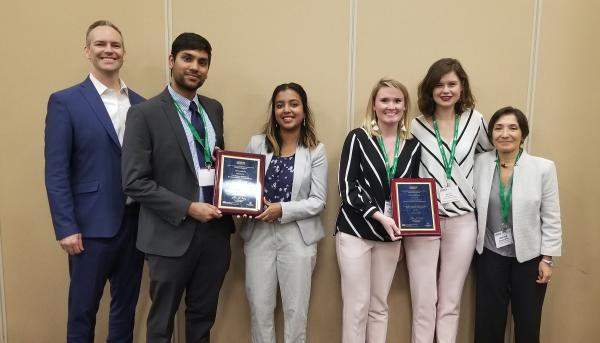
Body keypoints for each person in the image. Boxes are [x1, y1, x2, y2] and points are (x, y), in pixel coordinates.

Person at [121, 32, 234, 343]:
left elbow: (215, 162)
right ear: (171, 61)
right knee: (161, 322)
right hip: (170, 234)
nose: (195, 67)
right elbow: (134, 182)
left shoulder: (213, 108)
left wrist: (239, 196)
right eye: (187, 58)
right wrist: (187, 207)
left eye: (202, 62)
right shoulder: (144, 113)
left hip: (214, 232)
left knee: (203, 316)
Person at [44, 20, 145, 343]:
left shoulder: (142, 105)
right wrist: (66, 227)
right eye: (100, 44)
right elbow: (56, 171)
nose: (108, 50)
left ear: (124, 53)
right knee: (82, 312)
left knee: (124, 311)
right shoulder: (66, 102)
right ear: (88, 51)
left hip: (136, 225)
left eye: (115, 45)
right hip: (88, 229)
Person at [405, 58, 492, 343]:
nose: (446, 90)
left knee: (450, 301)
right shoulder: (416, 126)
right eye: (439, 84)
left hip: (463, 220)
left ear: (462, 87)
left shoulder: (475, 121)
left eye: (452, 84)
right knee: (423, 300)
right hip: (423, 221)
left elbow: (488, 156)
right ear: (429, 89)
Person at [241, 82, 327, 343]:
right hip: (259, 236)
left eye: (293, 104)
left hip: (297, 237)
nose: (286, 110)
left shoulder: (315, 150)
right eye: (280, 105)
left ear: (303, 110)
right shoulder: (257, 144)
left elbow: (318, 201)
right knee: (260, 309)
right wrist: (240, 203)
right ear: (274, 110)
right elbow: (244, 187)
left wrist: (282, 210)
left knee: (295, 311)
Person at [336, 78, 421, 343]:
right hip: (356, 231)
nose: (391, 106)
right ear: (374, 105)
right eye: (384, 100)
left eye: (397, 100)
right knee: (357, 305)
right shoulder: (358, 138)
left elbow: (412, 193)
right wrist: (379, 215)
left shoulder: (413, 146)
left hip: (391, 236)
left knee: (379, 305)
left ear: (405, 106)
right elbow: (347, 187)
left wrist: (406, 227)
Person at [473, 106, 561, 343]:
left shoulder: (543, 168)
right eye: (498, 128)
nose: (505, 134)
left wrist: (547, 259)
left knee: (528, 322)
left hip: (530, 257)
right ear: (491, 134)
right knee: (488, 322)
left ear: (523, 134)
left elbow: (551, 216)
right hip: (490, 253)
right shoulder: (479, 163)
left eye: (513, 128)